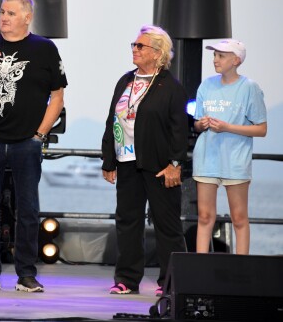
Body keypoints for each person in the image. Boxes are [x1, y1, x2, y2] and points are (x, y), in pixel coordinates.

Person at [0, 0, 67, 293]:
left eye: (11, 13)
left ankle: (26, 274)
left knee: (28, 208)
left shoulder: (44, 48)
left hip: (26, 142)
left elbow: (57, 96)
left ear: (27, 16)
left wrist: (40, 134)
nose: (4, 18)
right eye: (2, 12)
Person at [101, 24, 188, 296]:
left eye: (141, 46)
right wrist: (108, 160)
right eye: (134, 45)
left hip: (160, 166)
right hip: (127, 161)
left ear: (158, 53)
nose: (135, 50)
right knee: (128, 222)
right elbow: (112, 120)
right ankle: (126, 279)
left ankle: (172, 283)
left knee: (167, 225)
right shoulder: (125, 80)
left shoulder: (170, 86)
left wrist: (175, 164)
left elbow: (179, 130)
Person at [193, 39, 267, 255]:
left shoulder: (249, 88)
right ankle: (201, 268)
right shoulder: (206, 85)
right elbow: (196, 124)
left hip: (235, 161)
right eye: (214, 55)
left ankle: (241, 270)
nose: (215, 60)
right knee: (205, 216)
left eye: (221, 56)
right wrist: (201, 124)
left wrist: (227, 127)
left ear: (236, 60)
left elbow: (262, 129)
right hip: (206, 158)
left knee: (239, 217)